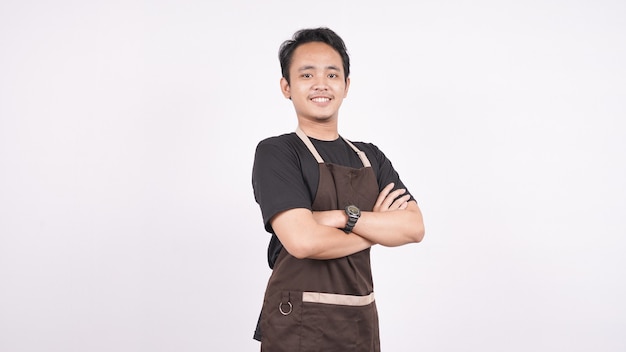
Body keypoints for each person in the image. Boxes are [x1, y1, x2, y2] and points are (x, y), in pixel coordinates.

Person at [252, 27, 425, 352]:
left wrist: (338, 216)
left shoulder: (370, 156)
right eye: (307, 74)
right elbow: (303, 242)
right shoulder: (278, 153)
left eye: (332, 74)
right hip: (297, 325)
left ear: (346, 86)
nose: (321, 84)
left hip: (359, 320)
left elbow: (414, 228)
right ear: (286, 87)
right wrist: (378, 228)